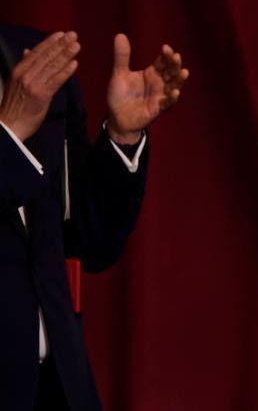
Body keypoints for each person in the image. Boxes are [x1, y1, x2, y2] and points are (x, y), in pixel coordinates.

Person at [0, 23, 188, 410]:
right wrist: (9, 135)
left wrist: (122, 137)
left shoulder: (36, 59)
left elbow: (90, 240)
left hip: (60, 389)